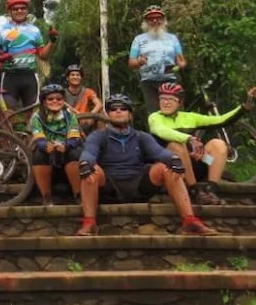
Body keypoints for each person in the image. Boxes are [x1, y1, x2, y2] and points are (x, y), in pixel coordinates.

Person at [75, 93, 217, 237]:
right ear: (108, 114)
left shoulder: (141, 136)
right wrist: (86, 163)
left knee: (166, 168)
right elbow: (89, 153)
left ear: (130, 115)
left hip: (138, 184)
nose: (118, 111)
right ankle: (89, 223)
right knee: (91, 170)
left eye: (123, 109)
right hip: (109, 185)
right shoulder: (98, 136)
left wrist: (174, 160)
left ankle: (189, 221)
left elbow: (159, 153)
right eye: (113, 109)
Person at [148, 82, 256, 206]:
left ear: (179, 102)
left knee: (218, 144)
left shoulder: (190, 117)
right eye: (162, 99)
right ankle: (195, 191)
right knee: (176, 145)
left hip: (196, 164)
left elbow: (220, 120)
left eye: (171, 99)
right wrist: (190, 139)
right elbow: (162, 131)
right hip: (173, 167)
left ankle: (211, 190)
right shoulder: (155, 118)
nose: (166, 102)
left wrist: (243, 108)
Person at [0, 0, 56, 111]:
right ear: (9, 11)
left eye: (23, 8)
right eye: (15, 9)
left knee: (33, 115)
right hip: (10, 77)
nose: (19, 11)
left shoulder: (35, 30)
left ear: (27, 10)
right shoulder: (0, 30)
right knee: (8, 115)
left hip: (29, 76)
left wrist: (51, 41)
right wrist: (1, 58)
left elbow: (43, 56)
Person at [29, 84, 82, 205]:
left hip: (66, 151)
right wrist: (46, 146)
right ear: (44, 101)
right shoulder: (37, 117)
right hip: (49, 153)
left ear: (63, 101)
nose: (55, 101)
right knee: (38, 154)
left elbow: (74, 137)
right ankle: (46, 197)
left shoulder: (70, 116)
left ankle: (78, 195)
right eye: (50, 99)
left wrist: (66, 146)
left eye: (59, 99)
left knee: (74, 153)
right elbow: (39, 137)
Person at [128, 5, 186, 114]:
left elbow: (181, 60)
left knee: (176, 113)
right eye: (151, 19)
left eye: (158, 18)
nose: (155, 21)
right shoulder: (139, 40)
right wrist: (140, 61)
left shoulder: (172, 38)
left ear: (163, 20)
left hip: (170, 80)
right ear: (146, 22)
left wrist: (181, 64)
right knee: (155, 115)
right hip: (149, 82)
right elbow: (131, 63)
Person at [63, 64, 103, 131]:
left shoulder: (88, 91)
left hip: (85, 121)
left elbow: (99, 104)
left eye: (78, 75)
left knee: (102, 114)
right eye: (72, 75)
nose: (75, 77)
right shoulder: (62, 93)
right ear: (67, 78)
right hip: (68, 121)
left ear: (81, 78)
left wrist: (90, 115)